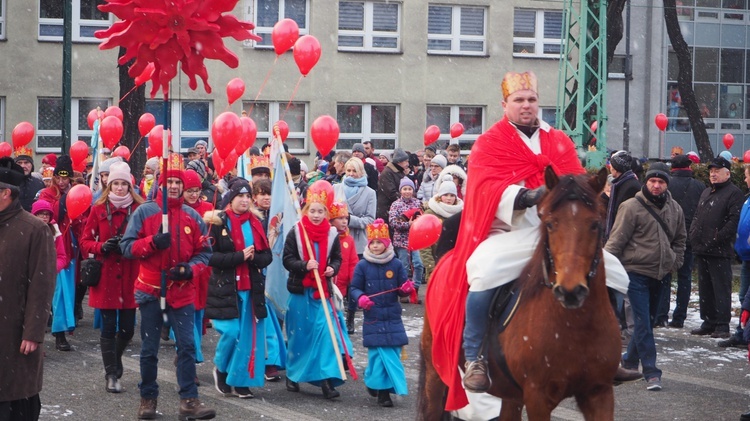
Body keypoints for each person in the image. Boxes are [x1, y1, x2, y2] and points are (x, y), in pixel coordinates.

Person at [426, 72, 631, 409]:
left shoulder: (559, 141)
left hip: (557, 232)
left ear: (538, 103)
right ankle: (475, 355)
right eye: (519, 100)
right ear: (505, 105)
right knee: (483, 270)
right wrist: (524, 196)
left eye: (531, 100)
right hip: (509, 230)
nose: (526, 105)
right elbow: (482, 188)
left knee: (614, 270)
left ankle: (610, 353)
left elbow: (576, 184)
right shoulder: (490, 142)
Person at [120, 153, 215, 420]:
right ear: (161, 183)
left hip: (182, 292)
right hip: (151, 291)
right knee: (149, 350)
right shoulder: (146, 211)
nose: (174, 186)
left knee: (186, 346)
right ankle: (147, 399)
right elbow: (127, 248)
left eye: (178, 182)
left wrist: (190, 269)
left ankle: (189, 400)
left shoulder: (191, 216)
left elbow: (204, 253)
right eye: (169, 181)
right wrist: (151, 243)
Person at [605, 163, 686, 391]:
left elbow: (680, 239)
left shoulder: (675, 208)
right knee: (642, 323)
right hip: (635, 273)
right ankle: (651, 372)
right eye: (652, 181)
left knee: (648, 323)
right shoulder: (631, 207)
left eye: (661, 182)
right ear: (645, 182)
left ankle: (628, 361)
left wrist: (675, 261)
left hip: (661, 273)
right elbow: (616, 240)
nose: (656, 185)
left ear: (667, 184)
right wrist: (605, 268)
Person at [282, 181, 353, 399]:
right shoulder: (296, 232)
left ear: (326, 213)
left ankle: (326, 381)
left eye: (320, 211)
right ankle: (293, 375)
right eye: (312, 211)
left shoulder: (332, 234)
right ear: (306, 210)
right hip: (300, 293)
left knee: (326, 336)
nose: (316, 215)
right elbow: (287, 260)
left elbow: (338, 259)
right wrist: (304, 266)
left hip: (323, 294)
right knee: (300, 337)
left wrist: (333, 268)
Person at [204, 180, 272, 399]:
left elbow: (266, 256)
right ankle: (221, 368)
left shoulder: (256, 223)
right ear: (230, 199)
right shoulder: (217, 222)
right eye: (239, 196)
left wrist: (253, 259)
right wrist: (239, 256)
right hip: (226, 286)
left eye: (247, 196)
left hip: (251, 287)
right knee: (231, 332)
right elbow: (210, 257)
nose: (244, 200)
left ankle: (242, 381)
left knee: (248, 338)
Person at [80, 162, 143, 393]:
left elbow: (147, 240)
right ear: (109, 184)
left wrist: (130, 246)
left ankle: (114, 363)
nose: (119, 188)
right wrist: (102, 246)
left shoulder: (139, 209)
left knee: (127, 328)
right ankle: (111, 374)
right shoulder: (98, 208)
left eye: (123, 184)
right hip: (106, 275)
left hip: (130, 274)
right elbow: (85, 241)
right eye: (115, 183)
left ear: (129, 185)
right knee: (107, 327)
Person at [0, 158, 56, 421]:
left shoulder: (35, 229)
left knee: (16, 400)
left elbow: (42, 285)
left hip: (16, 334)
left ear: (5, 193)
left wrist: (33, 332)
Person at [349, 219, 411, 407]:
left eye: (379, 243)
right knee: (377, 357)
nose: (376, 246)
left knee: (391, 354)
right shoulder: (362, 265)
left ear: (386, 243)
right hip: (373, 318)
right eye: (373, 243)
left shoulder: (397, 264)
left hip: (392, 317)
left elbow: (401, 289)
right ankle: (378, 387)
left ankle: (383, 389)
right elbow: (354, 288)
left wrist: (407, 289)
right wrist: (360, 298)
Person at [689, 156, 743, 339]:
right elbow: (697, 216)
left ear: (727, 173)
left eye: (717, 171)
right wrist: (693, 235)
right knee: (705, 288)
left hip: (720, 250)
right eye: (711, 171)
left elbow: (733, 221)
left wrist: (717, 237)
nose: (713, 174)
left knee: (720, 288)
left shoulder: (733, 193)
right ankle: (708, 321)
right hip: (702, 247)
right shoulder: (706, 192)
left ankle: (722, 324)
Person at [39, 155, 83, 350]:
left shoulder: (77, 192)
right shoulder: (47, 194)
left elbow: (82, 218)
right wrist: (66, 199)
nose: (62, 181)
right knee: (59, 292)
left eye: (66, 178)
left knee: (69, 292)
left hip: (72, 247)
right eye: (59, 177)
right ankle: (58, 333)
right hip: (56, 246)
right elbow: (50, 216)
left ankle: (63, 328)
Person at [665, 155, 706, 329]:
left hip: (667, 236)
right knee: (685, 277)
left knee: (664, 276)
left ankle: (660, 314)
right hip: (689, 238)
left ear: (673, 168)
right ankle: (679, 317)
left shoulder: (666, 185)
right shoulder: (699, 186)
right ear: (689, 167)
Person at [421, 175, 464, 284]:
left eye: (452, 195)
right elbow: (425, 245)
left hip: (455, 264)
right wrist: (431, 268)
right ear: (440, 196)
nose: (449, 198)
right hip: (436, 263)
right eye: (445, 195)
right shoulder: (430, 214)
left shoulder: (461, 214)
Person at [388, 178, 425, 303]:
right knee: (404, 266)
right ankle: (403, 290)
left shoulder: (418, 204)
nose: (407, 191)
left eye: (409, 189)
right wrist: (408, 225)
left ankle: (415, 288)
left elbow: (424, 219)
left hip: (416, 239)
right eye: (405, 189)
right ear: (400, 190)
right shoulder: (395, 204)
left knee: (419, 264)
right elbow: (393, 223)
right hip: (401, 240)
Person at [329, 202, 359, 333]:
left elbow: (353, 261)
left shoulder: (349, 239)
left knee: (343, 303)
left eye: (346, 218)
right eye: (340, 218)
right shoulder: (329, 237)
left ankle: (350, 319)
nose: (344, 221)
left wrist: (355, 279)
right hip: (333, 278)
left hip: (345, 279)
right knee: (333, 305)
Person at [376, 148, 409, 221]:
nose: (408, 164)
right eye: (406, 161)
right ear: (399, 162)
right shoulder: (387, 173)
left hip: (394, 210)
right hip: (387, 211)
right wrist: (407, 198)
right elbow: (392, 193)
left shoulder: (398, 172)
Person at [14, 147, 44, 212]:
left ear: (31, 165)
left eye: (26, 162)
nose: (23, 166)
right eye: (19, 163)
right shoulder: (9, 183)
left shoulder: (39, 184)